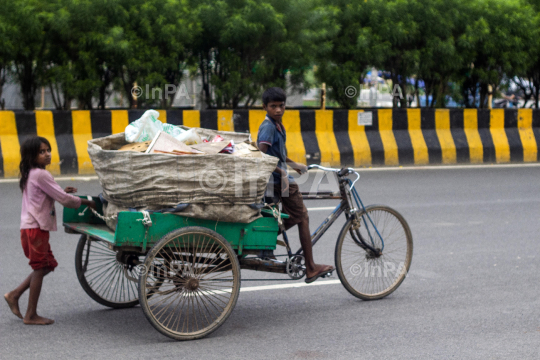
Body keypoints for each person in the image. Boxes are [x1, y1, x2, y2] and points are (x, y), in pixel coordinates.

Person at [4, 136, 95, 325]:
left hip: (30, 228)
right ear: (32, 156)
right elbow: (64, 200)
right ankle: (30, 315)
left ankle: (14, 294)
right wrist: (88, 202)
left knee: (46, 265)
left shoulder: (31, 173)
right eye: (41, 152)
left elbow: (47, 193)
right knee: (40, 268)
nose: (47, 155)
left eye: (48, 150)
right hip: (35, 228)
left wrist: (61, 191)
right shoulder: (41, 174)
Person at [257, 87, 335, 283]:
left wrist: (293, 164)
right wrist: (282, 172)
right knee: (303, 217)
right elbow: (261, 155)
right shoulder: (268, 127)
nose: (277, 110)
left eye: (281, 106)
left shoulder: (277, 126)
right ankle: (310, 267)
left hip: (277, 179)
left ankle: (265, 243)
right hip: (278, 180)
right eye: (273, 106)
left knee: (292, 216)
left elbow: (277, 154)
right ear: (265, 107)